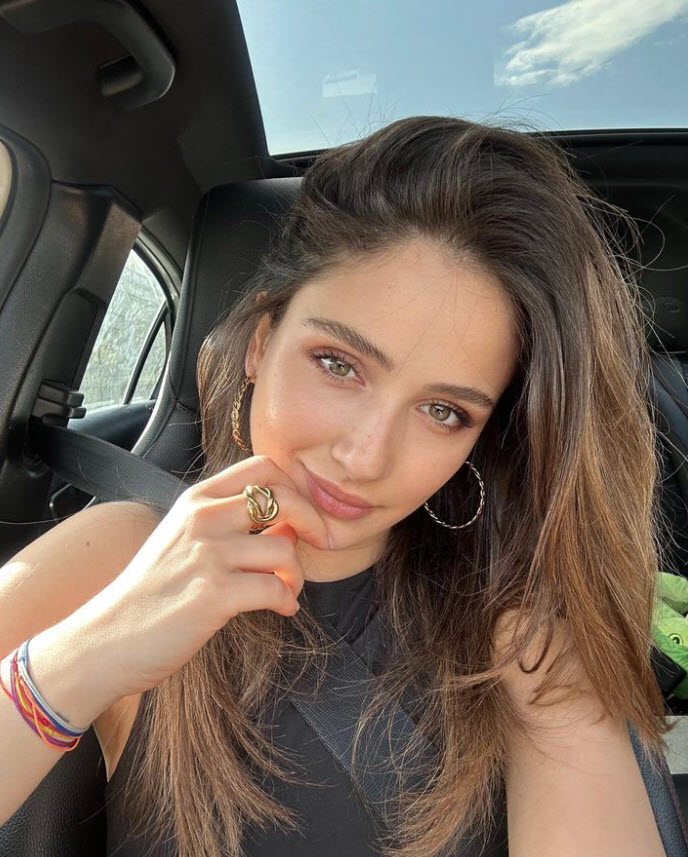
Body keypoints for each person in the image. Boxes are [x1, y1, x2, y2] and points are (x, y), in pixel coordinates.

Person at [0, 115, 674, 857]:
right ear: (261, 342)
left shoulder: (522, 632)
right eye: (338, 364)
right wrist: (87, 655)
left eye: (443, 411)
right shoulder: (117, 556)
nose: (364, 456)